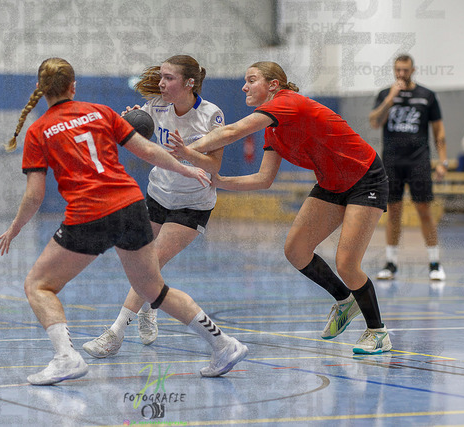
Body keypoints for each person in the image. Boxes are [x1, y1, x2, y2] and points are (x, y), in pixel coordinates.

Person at [0, 57, 248, 385]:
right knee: (153, 288)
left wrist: (15, 227)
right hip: (131, 205)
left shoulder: (39, 130)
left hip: (91, 212)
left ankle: (66, 357)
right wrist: (186, 169)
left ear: (40, 89)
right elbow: (148, 151)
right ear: (73, 87)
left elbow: (34, 196)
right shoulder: (101, 112)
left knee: (38, 284)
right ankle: (224, 344)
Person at [168, 61, 392, 354]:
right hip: (331, 183)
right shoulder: (272, 131)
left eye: (252, 80)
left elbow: (233, 131)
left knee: (347, 264)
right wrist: (219, 182)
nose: (244, 87)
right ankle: (344, 300)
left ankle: (377, 332)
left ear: (273, 85)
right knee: (296, 250)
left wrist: (186, 151)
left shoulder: (288, 102)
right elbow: (263, 179)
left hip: (365, 177)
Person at [83, 55, 225, 358]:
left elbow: (214, 165)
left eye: (169, 78)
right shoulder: (156, 107)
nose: (161, 83)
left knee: (151, 264)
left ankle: (115, 333)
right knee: (142, 264)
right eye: (161, 76)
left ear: (189, 83)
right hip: (159, 194)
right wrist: (129, 122)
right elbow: (131, 135)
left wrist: (186, 152)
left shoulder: (211, 115)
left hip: (193, 203)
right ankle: (149, 305)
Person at [368, 54, 448, 281]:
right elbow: (374, 122)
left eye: (405, 70)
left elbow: (439, 130)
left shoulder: (426, 96)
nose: (401, 74)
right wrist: (390, 99)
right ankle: (391, 263)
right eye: (398, 70)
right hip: (391, 162)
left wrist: (442, 161)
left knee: (424, 210)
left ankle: (434, 263)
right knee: (393, 212)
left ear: (413, 70)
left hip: (418, 161)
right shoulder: (385, 94)